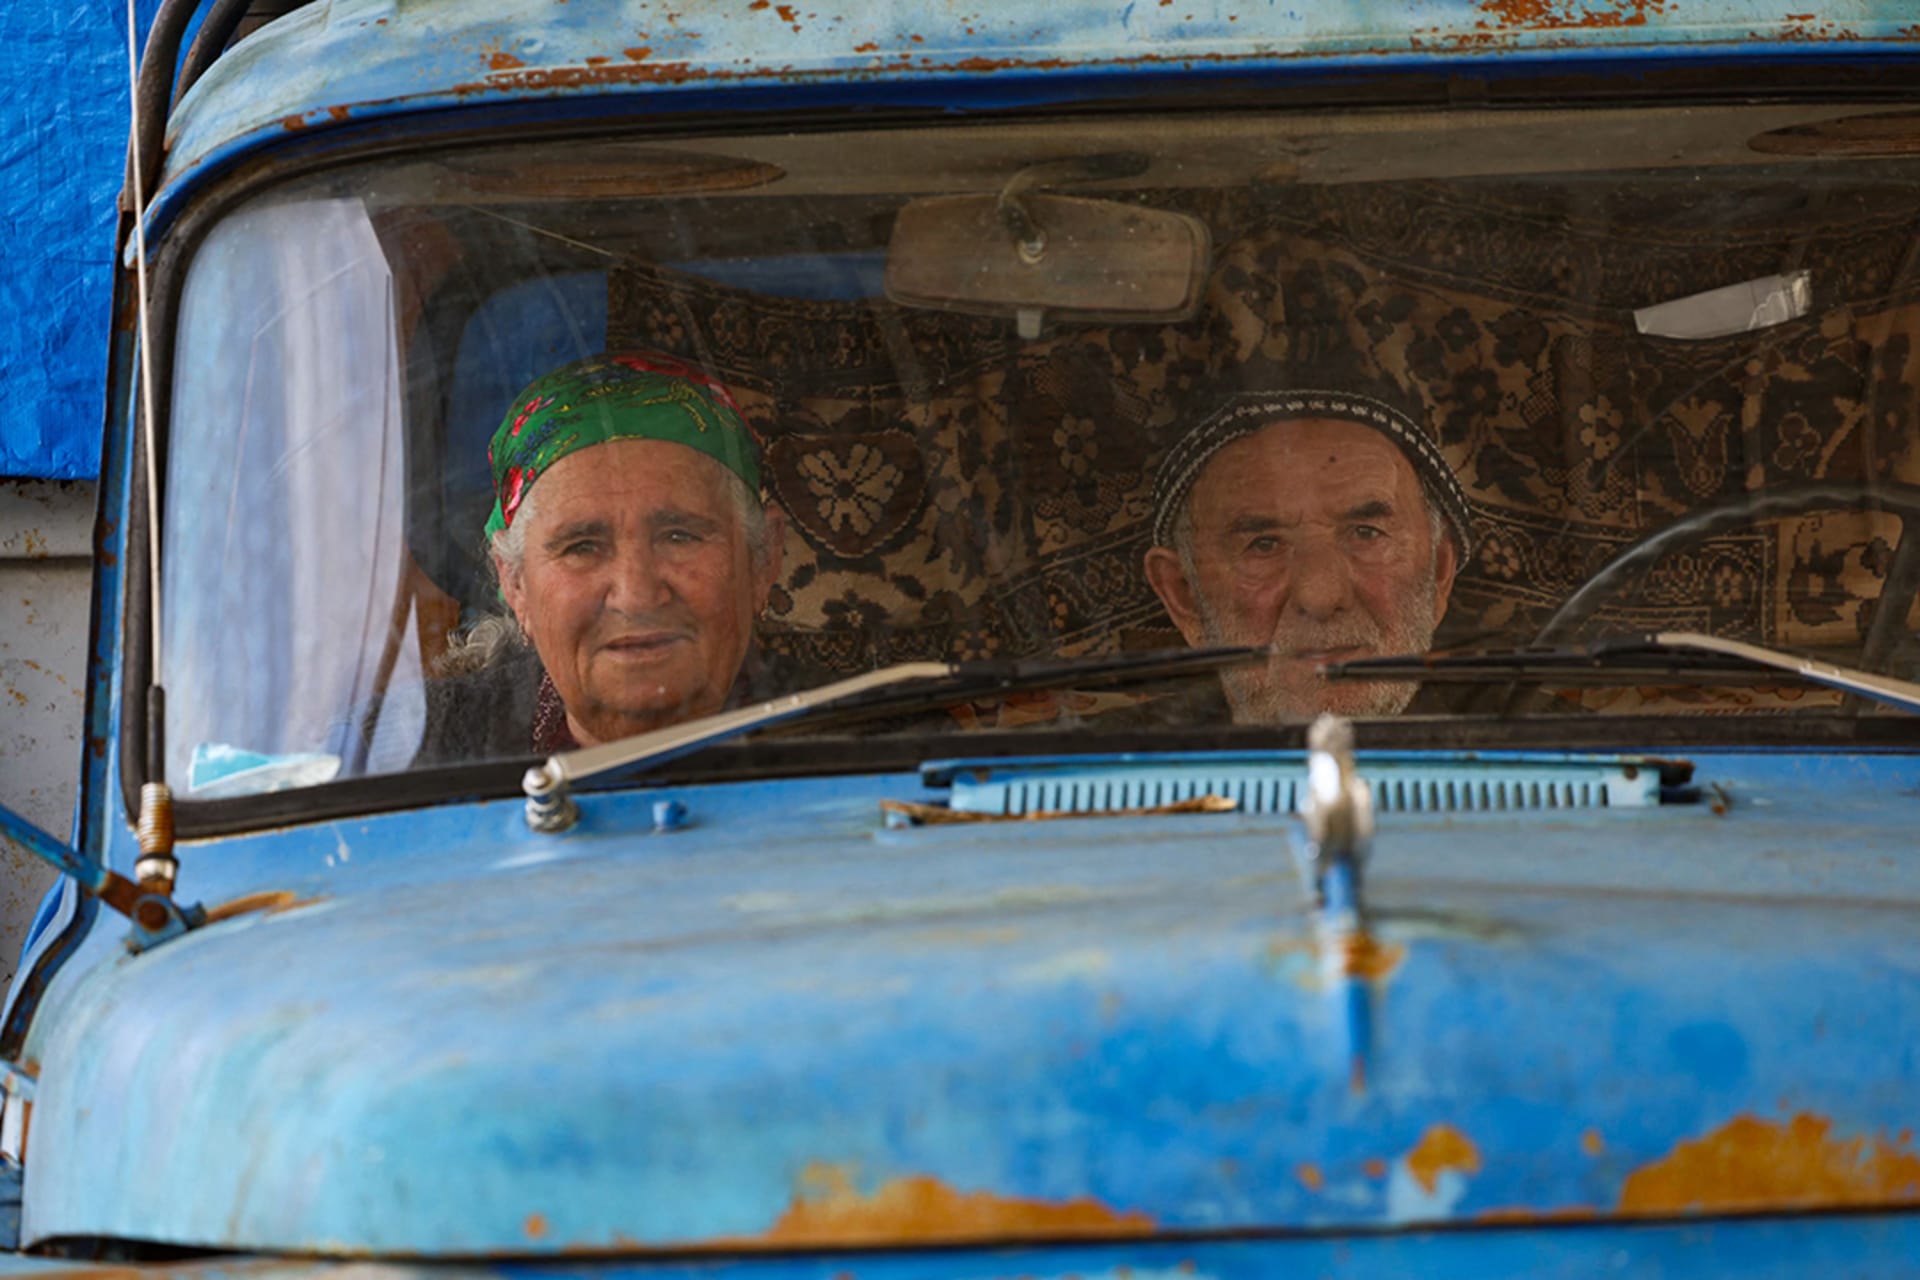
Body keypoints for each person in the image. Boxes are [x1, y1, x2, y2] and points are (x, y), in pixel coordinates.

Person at [419, 351, 786, 762]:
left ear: (763, 558)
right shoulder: (404, 753)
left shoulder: (857, 735)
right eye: (582, 547)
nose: (636, 598)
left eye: (680, 537)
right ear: (516, 584)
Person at [1142, 383, 1473, 722]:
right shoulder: (1105, 762)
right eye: (1265, 545)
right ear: (1185, 595)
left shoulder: (1525, 752)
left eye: (1366, 534)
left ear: (1438, 574)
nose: (1320, 597)